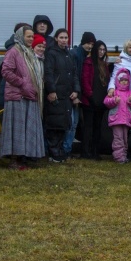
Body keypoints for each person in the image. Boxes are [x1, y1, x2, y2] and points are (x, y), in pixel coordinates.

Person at [0, 27, 46, 170]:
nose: (31, 39)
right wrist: (22, 83)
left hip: (30, 95)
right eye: (28, 36)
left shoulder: (30, 52)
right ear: (20, 36)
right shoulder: (14, 52)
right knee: (17, 129)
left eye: (32, 37)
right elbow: (6, 71)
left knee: (26, 128)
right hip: (17, 95)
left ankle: (22, 158)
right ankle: (13, 159)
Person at [44, 29, 80, 163]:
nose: (64, 40)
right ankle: (53, 153)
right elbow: (48, 73)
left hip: (67, 96)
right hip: (56, 95)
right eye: (61, 37)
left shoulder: (69, 55)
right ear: (56, 38)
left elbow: (74, 74)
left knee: (63, 124)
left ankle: (59, 151)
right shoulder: (51, 54)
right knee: (54, 124)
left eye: (66, 38)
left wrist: (76, 90)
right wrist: (52, 91)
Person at [108, 39, 131, 156]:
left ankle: (124, 152)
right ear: (126, 49)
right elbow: (114, 77)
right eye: (130, 47)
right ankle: (119, 154)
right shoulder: (121, 62)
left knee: (128, 124)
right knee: (120, 127)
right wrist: (111, 88)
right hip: (122, 98)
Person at [66, 31, 95, 158]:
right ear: (83, 42)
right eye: (88, 43)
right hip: (72, 95)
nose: (90, 46)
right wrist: (76, 94)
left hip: (78, 94)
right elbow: (74, 75)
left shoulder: (86, 55)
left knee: (75, 123)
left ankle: (67, 150)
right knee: (70, 123)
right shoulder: (75, 55)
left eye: (92, 44)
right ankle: (65, 149)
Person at [81, 38, 109, 160]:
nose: (102, 52)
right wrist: (91, 96)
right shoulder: (88, 62)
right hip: (90, 101)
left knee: (98, 128)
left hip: (101, 102)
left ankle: (95, 152)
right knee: (88, 128)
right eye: (99, 49)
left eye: (104, 50)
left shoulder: (105, 65)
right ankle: (85, 152)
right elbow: (85, 81)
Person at [104, 67, 131, 163]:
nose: (124, 82)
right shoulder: (114, 92)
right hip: (116, 119)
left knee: (125, 139)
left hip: (126, 120)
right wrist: (114, 100)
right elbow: (106, 102)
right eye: (122, 80)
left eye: (126, 80)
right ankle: (119, 157)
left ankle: (124, 155)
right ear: (117, 81)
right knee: (118, 138)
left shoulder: (130, 93)